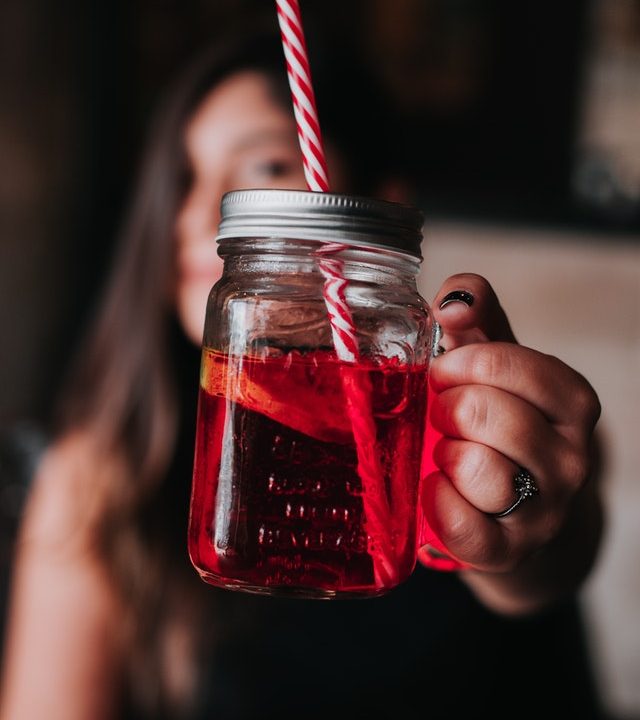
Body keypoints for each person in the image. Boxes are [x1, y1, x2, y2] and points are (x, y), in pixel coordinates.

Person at [0, 21, 604, 720]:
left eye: (263, 168)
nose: (198, 215)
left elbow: (556, 561)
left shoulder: (443, 397)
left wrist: (526, 538)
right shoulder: (100, 478)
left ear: (379, 194)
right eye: (182, 181)